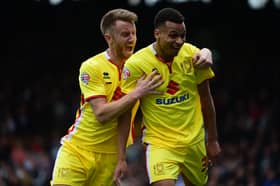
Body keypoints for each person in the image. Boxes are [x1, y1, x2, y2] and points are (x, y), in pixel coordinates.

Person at [50, 8, 164, 186]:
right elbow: (102, 114)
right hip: (78, 151)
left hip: (111, 158)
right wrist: (136, 93)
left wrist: (121, 159)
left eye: (134, 33)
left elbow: (125, 116)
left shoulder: (140, 67)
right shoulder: (92, 66)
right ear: (108, 38)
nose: (132, 39)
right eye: (125, 34)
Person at [115, 7, 221, 186]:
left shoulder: (192, 55)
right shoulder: (137, 64)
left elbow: (206, 99)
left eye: (183, 35)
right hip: (160, 144)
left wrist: (212, 139)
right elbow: (125, 112)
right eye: (173, 35)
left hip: (194, 143)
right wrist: (121, 157)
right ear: (157, 33)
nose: (179, 41)